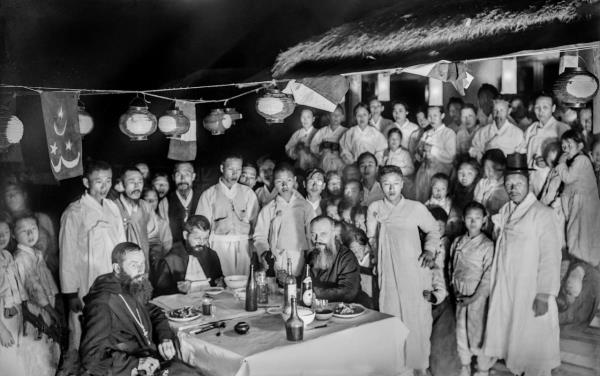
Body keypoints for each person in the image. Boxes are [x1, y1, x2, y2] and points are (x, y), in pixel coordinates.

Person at [484, 153, 562, 376]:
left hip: (532, 291)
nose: (513, 188)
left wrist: (544, 294)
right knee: (515, 345)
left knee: (535, 350)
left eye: (518, 183)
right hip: (509, 288)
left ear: (528, 184)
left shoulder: (542, 214)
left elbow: (550, 257)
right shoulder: (505, 212)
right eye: (509, 183)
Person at [366, 165, 444, 375]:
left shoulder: (415, 207)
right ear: (380, 186)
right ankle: (401, 370)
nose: (391, 188)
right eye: (386, 184)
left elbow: (434, 230)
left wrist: (429, 250)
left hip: (414, 272)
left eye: (395, 183)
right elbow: (371, 239)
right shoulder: (375, 208)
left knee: (417, 321)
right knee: (393, 320)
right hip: (388, 273)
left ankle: (420, 368)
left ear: (402, 183)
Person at [80, 242, 200, 376]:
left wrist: (164, 337)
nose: (141, 270)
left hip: (151, 360)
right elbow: (91, 357)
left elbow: (155, 312)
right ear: (117, 268)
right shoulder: (103, 303)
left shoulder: (130, 285)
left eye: (142, 263)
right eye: (133, 265)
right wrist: (136, 364)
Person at [59, 160, 126, 371]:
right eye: (98, 181)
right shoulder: (75, 212)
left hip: (113, 281)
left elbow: (122, 245)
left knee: (114, 330)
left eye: (108, 181)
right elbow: (68, 255)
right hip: (87, 283)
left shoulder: (113, 207)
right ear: (86, 182)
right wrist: (70, 294)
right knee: (86, 336)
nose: (104, 186)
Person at [449, 202, 495, 376]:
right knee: (461, 329)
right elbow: (451, 266)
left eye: (477, 218)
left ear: (484, 220)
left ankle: (483, 367)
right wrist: (453, 286)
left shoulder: (487, 245)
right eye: (469, 218)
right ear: (463, 219)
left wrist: (475, 297)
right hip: (460, 293)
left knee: (479, 330)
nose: (473, 222)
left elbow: (489, 274)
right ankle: (465, 364)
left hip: (478, 296)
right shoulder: (457, 241)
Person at [13, 214, 61, 375]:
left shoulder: (37, 254)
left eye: (33, 229)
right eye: (23, 231)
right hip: (35, 310)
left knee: (50, 348)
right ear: (14, 235)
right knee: (37, 352)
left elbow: (48, 281)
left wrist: (55, 302)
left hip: (47, 307)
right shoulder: (21, 258)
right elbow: (34, 288)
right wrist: (51, 310)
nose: (30, 234)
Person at [195, 155, 259, 276]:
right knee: (222, 283)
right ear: (222, 168)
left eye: (239, 169)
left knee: (244, 283)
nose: (235, 173)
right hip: (219, 245)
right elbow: (201, 227)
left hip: (244, 244)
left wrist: (255, 248)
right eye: (231, 169)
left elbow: (256, 223)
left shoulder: (248, 193)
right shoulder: (209, 194)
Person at [254, 163, 315, 277]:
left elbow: (311, 234)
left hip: (300, 256)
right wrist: (264, 253)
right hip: (276, 257)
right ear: (274, 183)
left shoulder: (305, 207)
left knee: (297, 288)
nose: (284, 185)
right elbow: (259, 236)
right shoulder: (269, 209)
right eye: (279, 181)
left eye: (289, 180)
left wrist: (312, 256)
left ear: (295, 180)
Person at [553, 130, 600, 267]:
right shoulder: (573, 162)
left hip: (585, 206)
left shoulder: (582, 160)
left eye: (569, 145)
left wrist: (561, 164)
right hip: (577, 205)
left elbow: (568, 178)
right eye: (563, 147)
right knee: (574, 234)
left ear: (580, 146)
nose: (565, 149)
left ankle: (586, 264)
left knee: (583, 236)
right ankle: (579, 261)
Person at [0, 213, 38, 376]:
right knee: (6, 361)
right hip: (1, 318)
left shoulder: (7, 256)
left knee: (18, 359)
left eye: (6, 232)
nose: (2, 237)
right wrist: (1, 330)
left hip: (14, 312)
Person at [305, 216, 370, 307]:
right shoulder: (312, 255)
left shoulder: (347, 257)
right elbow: (305, 281)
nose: (317, 239)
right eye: (313, 234)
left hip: (350, 308)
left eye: (323, 234)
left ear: (333, 234)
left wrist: (314, 292)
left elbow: (348, 292)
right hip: (322, 307)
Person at [153, 216, 224, 297]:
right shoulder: (169, 260)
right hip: (181, 305)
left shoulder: (211, 255)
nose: (202, 243)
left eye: (205, 238)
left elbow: (217, 281)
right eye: (197, 238)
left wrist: (221, 282)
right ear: (185, 235)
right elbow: (159, 293)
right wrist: (177, 289)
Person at [3, 182, 59, 278]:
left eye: (15, 192)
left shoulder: (42, 218)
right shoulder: (5, 228)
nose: (12, 196)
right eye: (8, 194)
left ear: (24, 195)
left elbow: (54, 249)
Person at [113, 166, 153, 271]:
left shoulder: (146, 207)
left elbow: (154, 237)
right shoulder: (112, 208)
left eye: (140, 182)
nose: (137, 186)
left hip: (142, 266)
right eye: (131, 182)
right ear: (121, 185)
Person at [415, 106, 457, 202]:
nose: (432, 119)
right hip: (424, 172)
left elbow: (451, 156)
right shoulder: (426, 133)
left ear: (442, 116)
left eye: (435, 116)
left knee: (435, 201)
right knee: (421, 200)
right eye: (429, 116)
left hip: (440, 172)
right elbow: (418, 155)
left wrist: (432, 149)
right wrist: (420, 152)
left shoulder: (449, 133)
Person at [520, 94, 570, 167]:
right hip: (532, 175)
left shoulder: (562, 128)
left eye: (545, 107)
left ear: (553, 108)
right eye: (537, 107)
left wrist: (549, 163)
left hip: (553, 175)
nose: (541, 111)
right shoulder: (531, 128)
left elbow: (569, 155)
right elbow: (522, 150)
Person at [158, 162, 201, 244]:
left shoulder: (202, 198)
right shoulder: (165, 202)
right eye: (178, 175)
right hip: (174, 251)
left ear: (193, 176)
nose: (182, 179)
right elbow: (163, 235)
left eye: (187, 174)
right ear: (173, 177)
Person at [142, 188, 173, 273]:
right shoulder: (135, 222)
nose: (151, 202)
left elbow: (167, 247)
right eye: (147, 199)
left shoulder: (162, 223)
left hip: (157, 266)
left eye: (155, 199)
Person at [473, 149, 509, 217]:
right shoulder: (482, 184)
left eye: (494, 168)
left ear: (503, 166)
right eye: (487, 168)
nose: (490, 172)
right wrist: (480, 194)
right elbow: (474, 208)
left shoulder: (508, 184)